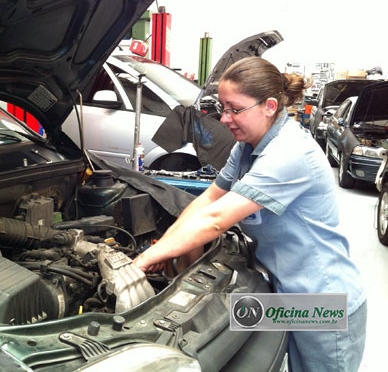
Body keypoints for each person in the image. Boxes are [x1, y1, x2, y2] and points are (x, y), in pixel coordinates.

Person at [133, 57, 366, 372]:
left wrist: (143, 262)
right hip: (286, 296)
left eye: (234, 109)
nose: (225, 118)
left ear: (269, 106)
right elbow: (209, 201)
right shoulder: (245, 148)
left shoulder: (289, 153)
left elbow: (217, 220)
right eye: (222, 107)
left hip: (323, 304)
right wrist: (165, 245)